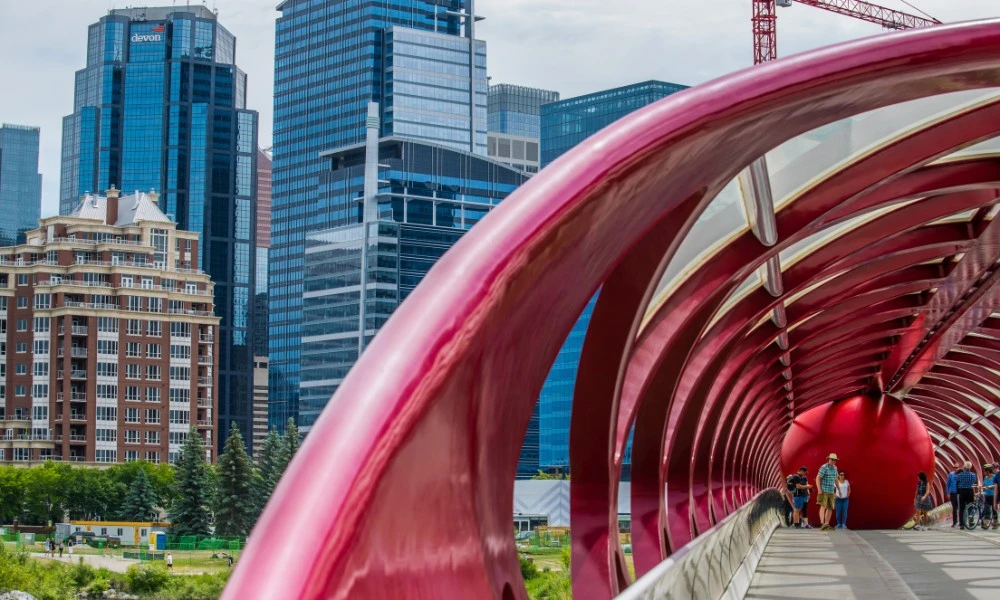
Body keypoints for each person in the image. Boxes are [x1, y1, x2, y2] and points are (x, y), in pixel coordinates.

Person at [816, 453, 839, 531]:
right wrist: (819, 489)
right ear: (828, 459)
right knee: (823, 506)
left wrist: (838, 489)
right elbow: (818, 478)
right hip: (824, 490)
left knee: (830, 508)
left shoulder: (835, 468)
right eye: (832, 459)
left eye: (835, 460)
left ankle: (826, 524)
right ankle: (822, 523)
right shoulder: (824, 467)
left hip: (831, 491)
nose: (833, 461)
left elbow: (836, 479)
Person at [956, 461, 978, 529]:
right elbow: (974, 481)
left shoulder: (960, 475)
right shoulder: (973, 475)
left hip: (962, 492)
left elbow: (957, 481)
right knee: (970, 507)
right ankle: (971, 522)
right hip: (970, 491)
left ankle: (962, 524)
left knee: (962, 508)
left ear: (964, 467)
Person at [982, 464, 997, 529]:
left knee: (994, 510)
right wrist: (981, 486)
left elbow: (997, 485)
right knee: (987, 509)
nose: (984, 472)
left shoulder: (994, 477)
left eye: (984, 471)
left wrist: (991, 486)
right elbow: (983, 485)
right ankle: (986, 523)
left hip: (993, 495)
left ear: (988, 471)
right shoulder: (985, 478)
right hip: (987, 496)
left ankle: (995, 523)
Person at [947, 463, 960, 527]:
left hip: (959, 493)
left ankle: (961, 522)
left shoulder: (960, 475)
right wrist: (948, 493)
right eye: (954, 467)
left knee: (960, 508)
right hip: (953, 493)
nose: (955, 469)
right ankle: (954, 522)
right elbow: (948, 484)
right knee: (954, 508)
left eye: (957, 467)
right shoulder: (951, 474)